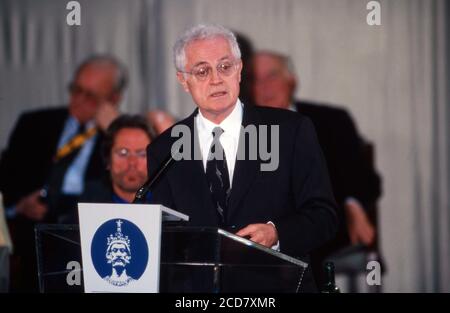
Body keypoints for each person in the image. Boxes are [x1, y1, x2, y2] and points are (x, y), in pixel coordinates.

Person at [146, 24, 338, 292]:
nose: (216, 79)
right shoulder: (164, 149)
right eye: (202, 71)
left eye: (225, 66)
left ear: (239, 69)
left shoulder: (290, 131)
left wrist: (277, 233)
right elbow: (167, 240)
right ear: (183, 79)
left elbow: (324, 216)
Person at [249, 51, 382, 285]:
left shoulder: (331, 120)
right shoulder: (241, 128)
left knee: (308, 238)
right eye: (256, 79)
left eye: (272, 76)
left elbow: (365, 177)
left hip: (321, 223)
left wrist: (352, 204)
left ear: (292, 80)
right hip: (260, 229)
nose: (264, 86)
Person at [0, 54, 127, 291]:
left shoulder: (121, 133)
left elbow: (135, 182)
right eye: (75, 89)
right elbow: (6, 179)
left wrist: (115, 131)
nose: (78, 100)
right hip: (34, 230)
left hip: (89, 232)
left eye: (90, 96)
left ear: (113, 99)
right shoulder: (35, 123)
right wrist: (18, 205)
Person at [80, 114, 152, 205]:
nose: (132, 162)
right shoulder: (88, 203)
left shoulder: (171, 204)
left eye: (142, 154)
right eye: (123, 153)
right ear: (108, 160)